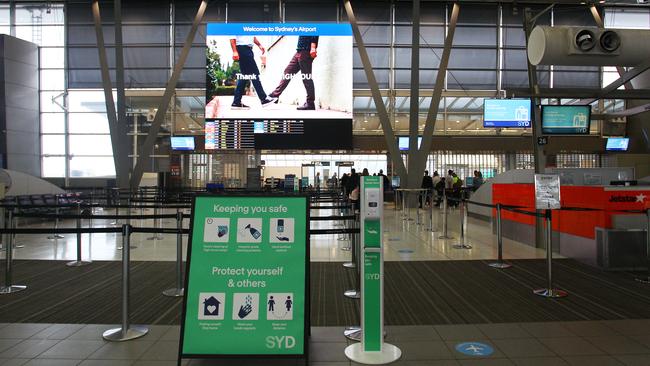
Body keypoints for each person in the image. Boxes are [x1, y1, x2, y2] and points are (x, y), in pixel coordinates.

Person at [268, 36, 319, 110]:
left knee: (306, 77)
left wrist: (313, 47)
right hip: (299, 51)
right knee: (288, 72)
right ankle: (275, 96)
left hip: (306, 51)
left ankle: (310, 103)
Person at [230, 36, 276, 109]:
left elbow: (252, 36)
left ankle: (236, 102)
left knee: (245, 76)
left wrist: (259, 45)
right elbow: (232, 37)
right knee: (254, 74)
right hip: (243, 49)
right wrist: (234, 51)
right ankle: (263, 99)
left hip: (247, 50)